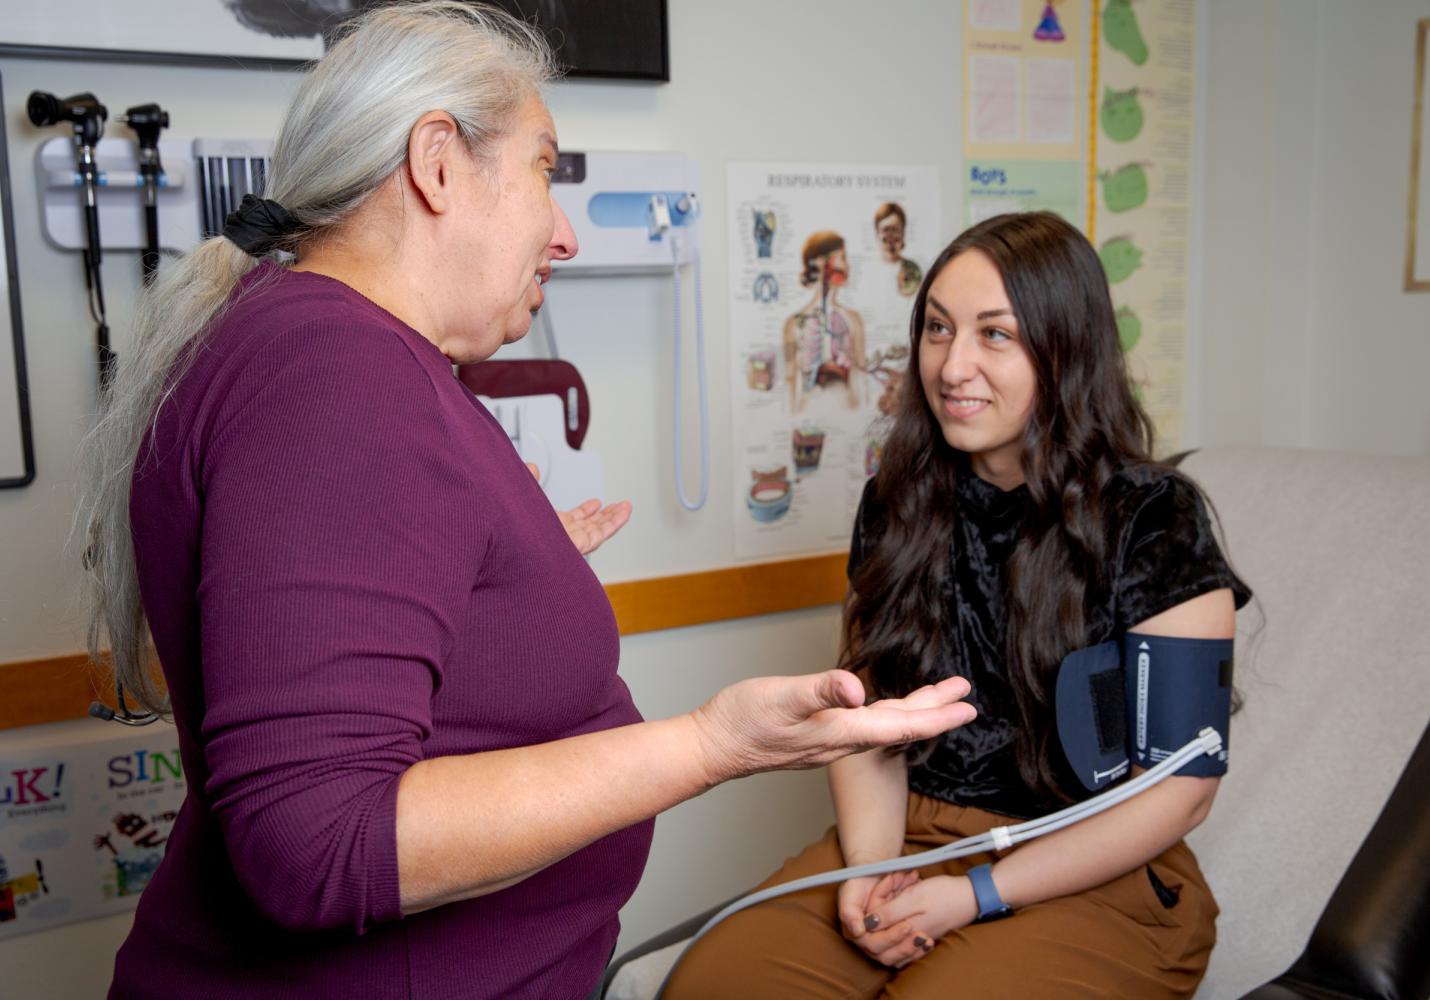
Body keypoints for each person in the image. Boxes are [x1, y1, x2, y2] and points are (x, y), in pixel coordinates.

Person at [74, 6, 977, 999]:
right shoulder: (336, 371)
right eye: (546, 169)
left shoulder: (314, 349)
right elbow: (317, 839)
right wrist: (709, 743)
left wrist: (504, 587)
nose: (564, 232)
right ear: (437, 163)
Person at [664, 211, 1251, 999]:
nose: (952, 365)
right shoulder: (899, 501)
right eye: (937, 329)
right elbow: (869, 721)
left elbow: (1182, 791)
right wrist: (870, 873)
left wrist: (975, 894)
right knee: (713, 985)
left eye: (994, 335)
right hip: (912, 837)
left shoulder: (1153, 520)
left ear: (1065, 349)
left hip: (1092, 862)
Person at [783, 230, 867, 413]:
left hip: (849, 416)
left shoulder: (854, 320)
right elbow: (790, 380)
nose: (848, 266)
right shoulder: (793, 325)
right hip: (807, 416)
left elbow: (861, 377)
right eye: (843, 258)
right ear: (823, 263)